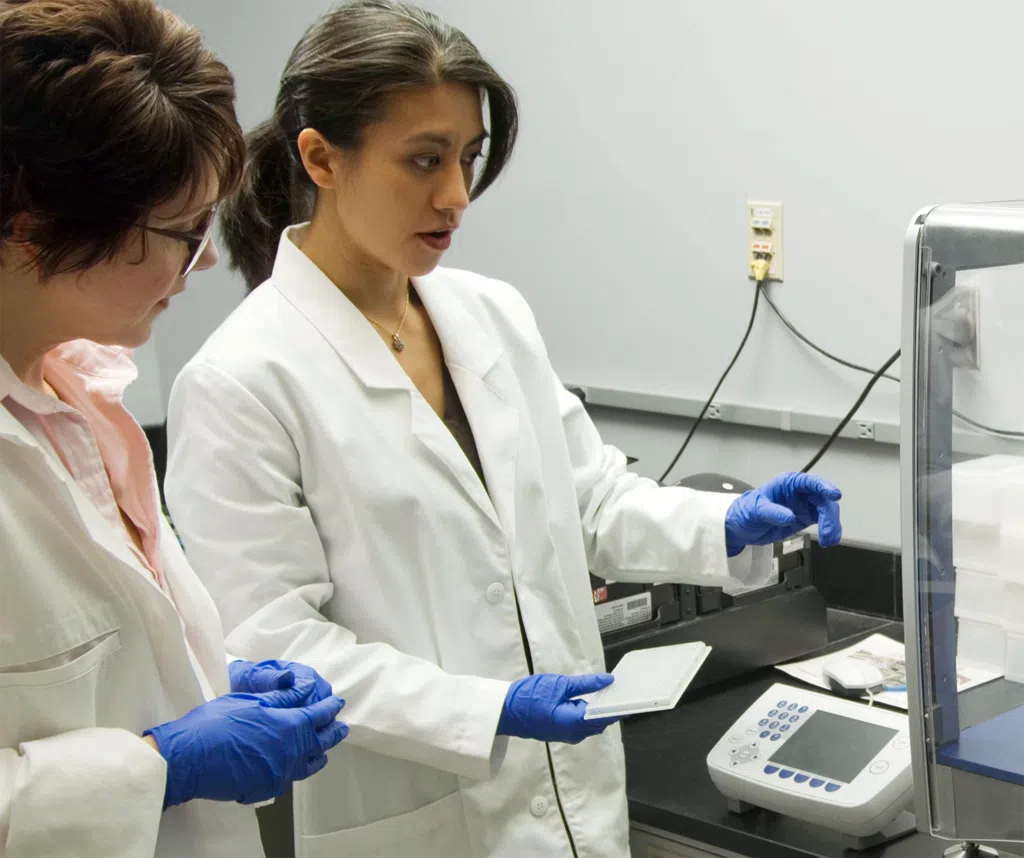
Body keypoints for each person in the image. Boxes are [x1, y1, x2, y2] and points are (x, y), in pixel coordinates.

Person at [164, 2, 844, 856]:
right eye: (423, 160)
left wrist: (723, 522)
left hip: (575, 806)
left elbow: (586, 497)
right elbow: (277, 647)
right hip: (421, 816)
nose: (455, 195)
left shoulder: (491, 316)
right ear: (320, 158)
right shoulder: (240, 381)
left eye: (467, 158)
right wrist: (490, 710)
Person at [0, 1, 348, 855]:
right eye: (186, 231)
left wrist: (199, 676)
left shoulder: (78, 398)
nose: (210, 260)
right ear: (34, 232)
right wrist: (160, 764)